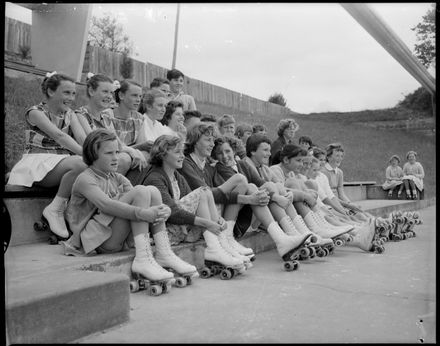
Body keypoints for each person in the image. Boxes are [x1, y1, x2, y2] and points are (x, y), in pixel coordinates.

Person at [63, 129, 198, 286]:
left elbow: (141, 200)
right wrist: (143, 213)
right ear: (93, 154)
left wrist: (164, 210)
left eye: (117, 152)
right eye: (109, 153)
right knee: (141, 191)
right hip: (97, 241)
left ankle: (164, 252)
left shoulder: (117, 177)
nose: (116, 158)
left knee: (151, 191)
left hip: (117, 237)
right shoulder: (85, 179)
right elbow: (106, 206)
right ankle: (143, 258)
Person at [179, 123, 313, 264]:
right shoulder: (188, 163)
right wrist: (249, 199)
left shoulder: (206, 165)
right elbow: (205, 194)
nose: (212, 144)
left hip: (214, 213)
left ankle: (283, 238)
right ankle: (232, 239)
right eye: (208, 140)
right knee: (242, 180)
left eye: (213, 140)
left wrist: (277, 195)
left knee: (258, 186)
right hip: (196, 217)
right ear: (194, 140)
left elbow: (260, 184)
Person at [142, 134, 247, 273]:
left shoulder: (176, 176)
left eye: (182, 152)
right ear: (162, 155)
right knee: (203, 191)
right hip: (167, 233)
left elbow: (194, 202)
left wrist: (217, 219)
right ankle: (215, 248)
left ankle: (222, 245)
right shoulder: (155, 177)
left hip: (183, 230)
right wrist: (207, 223)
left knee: (205, 192)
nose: (182, 156)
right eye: (177, 152)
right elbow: (173, 213)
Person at [212, 136, 329, 256]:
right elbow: (233, 194)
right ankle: (290, 235)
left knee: (271, 186)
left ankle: (296, 233)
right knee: (253, 187)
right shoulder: (220, 169)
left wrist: (281, 194)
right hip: (237, 218)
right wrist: (277, 197)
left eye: (227, 151)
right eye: (219, 153)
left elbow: (263, 184)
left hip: (253, 210)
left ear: (234, 150)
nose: (225, 156)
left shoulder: (242, 164)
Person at [7, 72, 87, 239]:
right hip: (39, 162)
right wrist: (89, 155)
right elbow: (60, 136)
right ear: (51, 92)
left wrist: (97, 153)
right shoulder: (35, 112)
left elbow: (81, 138)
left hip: (60, 161)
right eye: (66, 92)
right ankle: (55, 208)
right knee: (81, 163)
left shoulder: (70, 114)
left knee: (89, 166)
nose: (71, 98)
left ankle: (77, 214)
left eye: (73, 93)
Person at [75, 74, 147, 176]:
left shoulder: (105, 117)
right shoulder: (81, 114)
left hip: (104, 156)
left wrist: (133, 151)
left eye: (111, 93)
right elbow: (90, 143)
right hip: (90, 158)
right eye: (105, 92)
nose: (109, 96)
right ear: (91, 91)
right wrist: (132, 151)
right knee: (124, 159)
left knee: (140, 156)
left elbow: (118, 144)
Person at [321, 143, 370, 222]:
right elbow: (329, 196)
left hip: (340, 202)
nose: (340, 158)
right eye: (337, 156)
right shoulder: (324, 172)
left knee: (362, 214)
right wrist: (347, 205)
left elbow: (341, 193)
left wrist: (350, 204)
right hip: (331, 203)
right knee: (355, 218)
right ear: (328, 157)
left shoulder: (340, 172)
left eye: (341, 156)